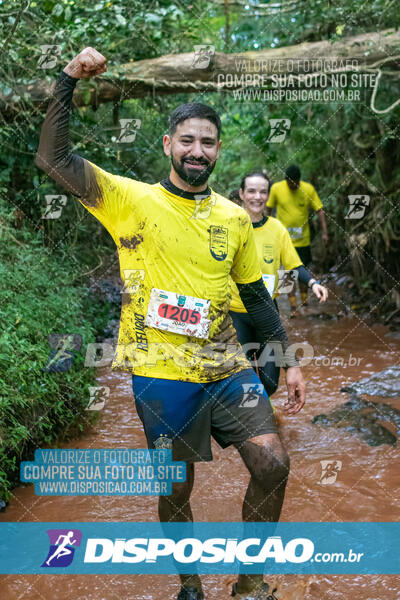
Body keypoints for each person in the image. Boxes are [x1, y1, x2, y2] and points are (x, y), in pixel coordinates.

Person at [35, 47, 306, 600]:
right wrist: (68, 79)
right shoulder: (127, 198)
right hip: (160, 372)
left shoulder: (234, 217)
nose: (197, 150)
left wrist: (287, 361)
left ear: (217, 150)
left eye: (207, 141)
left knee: (274, 464)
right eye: (187, 140)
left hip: (225, 364)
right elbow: (53, 157)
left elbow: (255, 298)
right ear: (168, 145)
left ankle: (250, 584)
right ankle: (190, 583)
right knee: (175, 485)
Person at [229, 171, 328, 397]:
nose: (257, 197)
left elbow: (293, 264)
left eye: (263, 191)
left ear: (268, 195)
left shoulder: (276, 228)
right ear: (242, 194)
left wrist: (313, 283)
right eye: (251, 191)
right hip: (235, 313)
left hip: (267, 312)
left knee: (271, 383)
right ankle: (253, 423)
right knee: (240, 377)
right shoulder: (229, 226)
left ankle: (262, 407)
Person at [266, 164, 328, 314]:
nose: (293, 186)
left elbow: (319, 210)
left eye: (295, 183)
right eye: (290, 183)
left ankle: (305, 303)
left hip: (303, 240)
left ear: (299, 181)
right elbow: (268, 208)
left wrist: (325, 233)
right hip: (282, 240)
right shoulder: (276, 189)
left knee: (302, 271)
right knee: (286, 274)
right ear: (285, 181)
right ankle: (293, 305)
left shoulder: (308, 189)